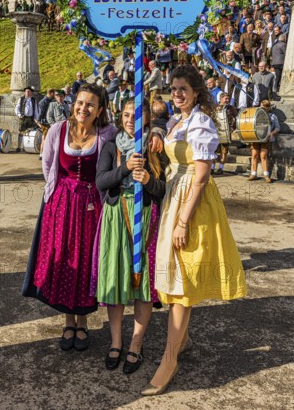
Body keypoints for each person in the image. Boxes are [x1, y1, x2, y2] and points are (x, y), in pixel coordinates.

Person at [141, 65, 247, 396]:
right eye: (173, 89)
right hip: (175, 193)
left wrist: (184, 221)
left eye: (183, 89)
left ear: (197, 91)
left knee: (182, 276)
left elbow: (201, 176)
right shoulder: (179, 120)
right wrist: (158, 134)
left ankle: (170, 357)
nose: (177, 94)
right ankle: (182, 340)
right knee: (173, 272)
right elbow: (167, 133)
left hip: (192, 201)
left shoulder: (200, 121)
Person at [22, 84, 117, 351]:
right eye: (80, 102)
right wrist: (56, 196)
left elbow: (132, 137)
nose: (83, 108)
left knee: (85, 260)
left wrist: (155, 130)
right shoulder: (57, 130)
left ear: (100, 110)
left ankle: (83, 322)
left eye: (90, 105)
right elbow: (48, 163)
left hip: (91, 205)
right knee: (63, 258)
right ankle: (68, 320)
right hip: (61, 204)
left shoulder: (107, 133)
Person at [94, 98, 166, 374]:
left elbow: (164, 190)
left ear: (147, 118)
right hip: (115, 216)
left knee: (142, 283)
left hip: (145, 217)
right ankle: (116, 341)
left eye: (136, 115)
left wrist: (150, 181)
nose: (129, 119)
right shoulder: (112, 147)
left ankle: (136, 343)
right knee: (115, 277)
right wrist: (124, 169)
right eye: (125, 114)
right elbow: (101, 181)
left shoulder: (155, 146)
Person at [248, 100, 280, 183]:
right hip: (256, 137)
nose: (262, 108)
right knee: (254, 155)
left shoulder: (272, 116)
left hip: (266, 138)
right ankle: (253, 174)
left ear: (268, 108)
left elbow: (277, 127)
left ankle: (266, 175)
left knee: (263, 155)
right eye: (261, 106)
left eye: (264, 107)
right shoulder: (256, 115)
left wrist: (272, 133)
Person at [212, 92, 237, 175]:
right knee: (213, 151)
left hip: (226, 132)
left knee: (224, 151)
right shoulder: (214, 107)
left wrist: (233, 128)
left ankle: (221, 168)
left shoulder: (230, 108)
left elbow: (236, 118)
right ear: (221, 98)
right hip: (215, 131)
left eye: (228, 99)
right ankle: (212, 168)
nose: (227, 100)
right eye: (225, 98)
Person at [15, 87, 39, 152]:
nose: (27, 93)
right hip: (23, 118)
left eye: (29, 91)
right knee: (21, 132)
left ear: (31, 93)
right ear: (24, 92)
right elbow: (17, 107)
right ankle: (19, 147)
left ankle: (26, 147)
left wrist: (36, 119)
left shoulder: (34, 100)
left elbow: (36, 110)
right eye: (26, 91)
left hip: (31, 118)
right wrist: (19, 115)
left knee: (29, 133)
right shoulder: (21, 99)